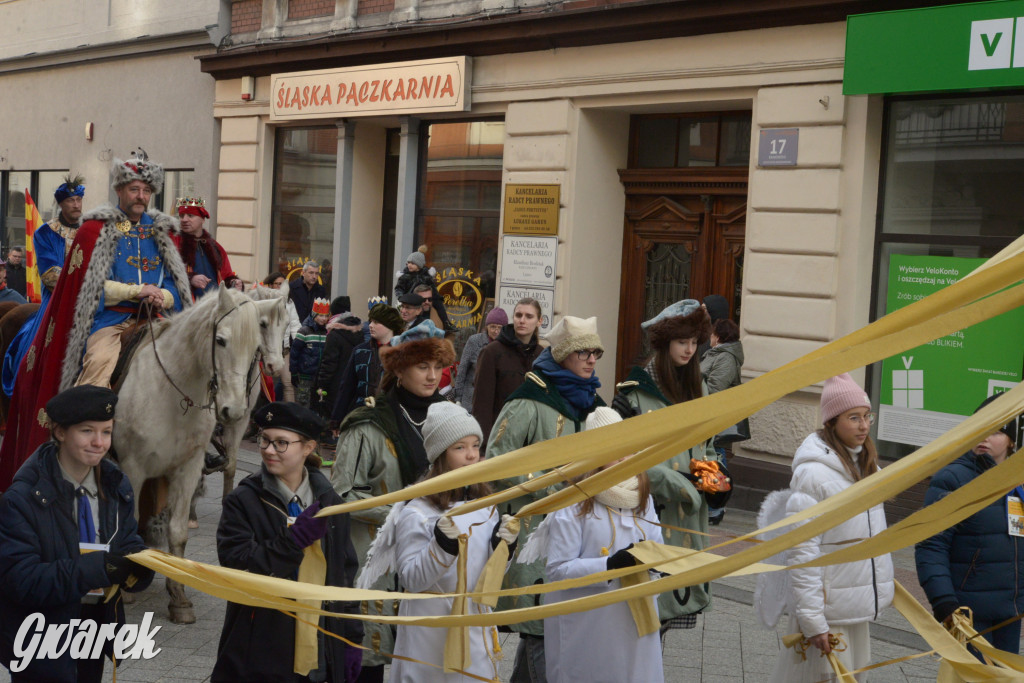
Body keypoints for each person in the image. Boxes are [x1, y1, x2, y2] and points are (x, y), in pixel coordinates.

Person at [0, 153, 192, 491]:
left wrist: (164, 297)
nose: (141, 196)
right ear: (120, 189)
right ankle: (88, 444)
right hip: (111, 318)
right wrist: (136, 290)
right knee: (99, 364)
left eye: (147, 189)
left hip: (158, 318)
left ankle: (200, 440)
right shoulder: (94, 230)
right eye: (134, 188)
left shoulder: (163, 231)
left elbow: (177, 284)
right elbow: (87, 283)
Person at [0, 385, 155, 683]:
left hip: (96, 630)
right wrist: (101, 568)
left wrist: (141, 567)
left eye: (107, 432)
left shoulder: (117, 485)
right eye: (87, 431)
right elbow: (21, 580)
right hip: (41, 638)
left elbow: (126, 540)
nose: (99, 443)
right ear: (59, 432)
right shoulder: (21, 499)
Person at [331, 319, 455, 682]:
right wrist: (403, 514)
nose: (433, 376)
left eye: (438, 366)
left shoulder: (451, 421)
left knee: (423, 662)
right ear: (400, 369)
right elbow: (341, 493)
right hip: (376, 553)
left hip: (432, 555)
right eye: (422, 366)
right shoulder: (368, 422)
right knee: (369, 660)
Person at [359, 402, 516, 682]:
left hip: (473, 627)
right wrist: (441, 547)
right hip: (429, 633)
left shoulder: (486, 506)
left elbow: (487, 580)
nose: (471, 456)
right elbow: (411, 579)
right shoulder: (417, 512)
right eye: (459, 448)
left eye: (475, 445)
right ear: (440, 454)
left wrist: (504, 550)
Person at [487, 315, 606, 683]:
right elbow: (496, 461)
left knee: (548, 625)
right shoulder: (529, 400)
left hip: (579, 529)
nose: (590, 360)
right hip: (536, 532)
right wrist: (549, 485)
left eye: (595, 353)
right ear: (563, 355)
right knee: (541, 624)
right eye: (582, 352)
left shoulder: (593, 402)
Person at [214, 401, 363, 683]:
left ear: (308, 447)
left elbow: (344, 578)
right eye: (265, 440)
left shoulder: (332, 505)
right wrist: (292, 541)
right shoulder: (243, 500)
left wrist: (352, 640)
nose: (269, 450)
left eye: (281, 443)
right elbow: (236, 564)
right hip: (260, 648)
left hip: (321, 644)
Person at [768, 373, 894, 682]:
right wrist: (813, 621)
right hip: (827, 612)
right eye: (854, 418)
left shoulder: (867, 467)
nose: (864, 426)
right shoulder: (814, 475)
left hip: (854, 608)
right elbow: (803, 552)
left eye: (867, 416)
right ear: (832, 422)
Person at [525, 407, 664, 683]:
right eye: (613, 447)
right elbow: (557, 570)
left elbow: (656, 548)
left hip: (634, 618)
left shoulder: (641, 495)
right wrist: (608, 565)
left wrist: (663, 567)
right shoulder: (574, 501)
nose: (623, 454)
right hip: (587, 624)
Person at [611, 299, 724, 634]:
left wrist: (715, 478)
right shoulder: (633, 392)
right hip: (651, 515)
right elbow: (624, 459)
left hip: (690, 517)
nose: (689, 350)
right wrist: (678, 483)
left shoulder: (699, 387)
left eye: (694, 342)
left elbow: (709, 446)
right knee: (644, 616)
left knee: (669, 617)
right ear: (664, 344)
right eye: (681, 342)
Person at [915, 393, 1024, 656]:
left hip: (1010, 612)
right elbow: (931, 544)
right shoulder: (952, 479)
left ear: (1011, 441)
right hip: (968, 613)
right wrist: (944, 602)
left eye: (996, 431)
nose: (984, 436)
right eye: (979, 427)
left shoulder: (1017, 480)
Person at [3, 173, 84, 396]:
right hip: (58, 297)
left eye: (79, 200)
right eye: (70, 201)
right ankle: (32, 384)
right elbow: (50, 275)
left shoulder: (90, 230)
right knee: (37, 341)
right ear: (61, 204)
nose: (76, 205)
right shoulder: (45, 232)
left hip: (93, 296)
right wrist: (83, 286)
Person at [472, 298, 543, 446]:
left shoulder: (542, 355)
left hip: (532, 441)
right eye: (518, 315)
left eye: (529, 316)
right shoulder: (491, 352)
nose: (522, 320)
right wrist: (483, 447)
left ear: (539, 321)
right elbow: (482, 404)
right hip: (500, 440)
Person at [330, 302, 405, 426]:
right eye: (370, 321)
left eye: (376, 322)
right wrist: (337, 419)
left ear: (389, 325)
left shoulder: (402, 353)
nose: (370, 325)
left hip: (392, 417)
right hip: (361, 414)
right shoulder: (360, 351)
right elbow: (347, 387)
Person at [699, 317, 744, 524]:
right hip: (707, 415)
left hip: (714, 417)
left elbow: (716, 387)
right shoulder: (717, 353)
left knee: (716, 460)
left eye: (712, 333)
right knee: (713, 458)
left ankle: (716, 508)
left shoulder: (726, 357)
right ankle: (712, 506)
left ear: (719, 336)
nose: (709, 336)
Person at [172, 196, 242, 299]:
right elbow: (166, 273)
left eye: (190, 215)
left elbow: (226, 275)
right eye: (182, 216)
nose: (184, 220)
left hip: (214, 307)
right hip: (187, 309)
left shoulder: (216, 248)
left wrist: (233, 282)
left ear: (203, 219)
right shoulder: (173, 243)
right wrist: (190, 279)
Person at [315, 300, 363, 422]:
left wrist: (322, 385)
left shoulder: (334, 335)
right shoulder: (360, 333)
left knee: (332, 418)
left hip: (334, 385)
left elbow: (329, 363)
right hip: (354, 383)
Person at [453, 306, 506, 409]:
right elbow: (462, 369)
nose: (496, 331)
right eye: (493, 327)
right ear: (487, 326)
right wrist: (458, 398)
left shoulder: (506, 346)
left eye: (500, 327)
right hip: (471, 399)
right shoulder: (474, 341)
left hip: (494, 401)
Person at [265, 271, 302, 402]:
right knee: (264, 384)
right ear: (270, 285)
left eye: (283, 284)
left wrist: (299, 344)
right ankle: (265, 414)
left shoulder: (289, 302)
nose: (280, 287)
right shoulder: (264, 301)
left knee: (288, 384)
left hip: (284, 350)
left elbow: (295, 324)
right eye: (278, 284)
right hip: (266, 351)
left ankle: (289, 414)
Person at [291, 297, 331, 409]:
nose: (324, 319)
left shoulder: (327, 333)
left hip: (319, 377)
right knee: (303, 403)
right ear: (314, 315)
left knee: (318, 404)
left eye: (326, 316)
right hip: (305, 376)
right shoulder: (304, 331)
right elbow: (294, 354)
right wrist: (293, 372)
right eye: (320, 315)